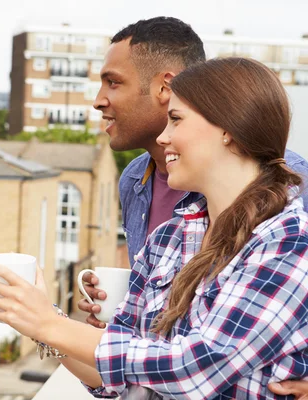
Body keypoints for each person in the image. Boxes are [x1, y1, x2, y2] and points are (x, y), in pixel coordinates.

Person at [0, 57, 308, 399]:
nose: (163, 137)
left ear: (228, 129)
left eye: (176, 120)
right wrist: (32, 318)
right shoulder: (167, 240)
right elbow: (115, 378)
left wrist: (50, 324)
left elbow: (196, 367)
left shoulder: (289, 242)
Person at [77, 17, 308, 397]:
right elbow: (168, 324)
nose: (99, 99)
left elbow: (280, 309)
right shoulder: (138, 184)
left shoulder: (288, 185)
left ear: (165, 86)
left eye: (113, 82)